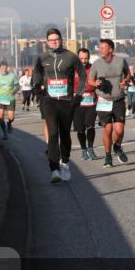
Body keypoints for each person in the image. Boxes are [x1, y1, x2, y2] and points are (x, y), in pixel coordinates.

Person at [32, 28, 86, 183]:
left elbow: (82, 76)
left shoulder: (71, 57)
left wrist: (79, 95)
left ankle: (65, 162)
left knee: (64, 133)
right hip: (49, 100)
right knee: (53, 133)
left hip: (67, 100)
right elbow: (36, 72)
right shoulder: (42, 58)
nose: (54, 42)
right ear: (47, 42)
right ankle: (54, 168)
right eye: (51, 40)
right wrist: (36, 85)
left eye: (56, 39)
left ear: (61, 39)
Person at [89, 39, 130, 169]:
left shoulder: (121, 61)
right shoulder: (96, 63)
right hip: (103, 100)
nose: (100, 49)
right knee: (108, 129)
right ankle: (108, 157)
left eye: (103, 47)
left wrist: (125, 81)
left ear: (110, 49)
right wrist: (95, 84)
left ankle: (117, 146)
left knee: (119, 130)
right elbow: (90, 79)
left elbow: (128, 74)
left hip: (118, 99)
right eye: (99, 47)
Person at [73, 48, 99, 160]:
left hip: (91, 103)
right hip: (77, 103)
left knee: (90, 125)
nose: (83, 60)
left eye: (86, 58)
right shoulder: (72, 69)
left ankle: (90, 148)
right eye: (81, 58)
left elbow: (99, 82)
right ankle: (83, 150)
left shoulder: (94, 69)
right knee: (80, 129)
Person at [0, 60, 20, 140]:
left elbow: (18, 86)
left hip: (10, 99)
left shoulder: (12, 76)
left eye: (5, 68)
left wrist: (13, 92)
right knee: (0, 116)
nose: (4, 70)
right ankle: (4, 133)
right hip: (0, 99)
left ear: (7, 68)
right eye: (2, 68)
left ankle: (9, 123)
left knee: (11, 117)